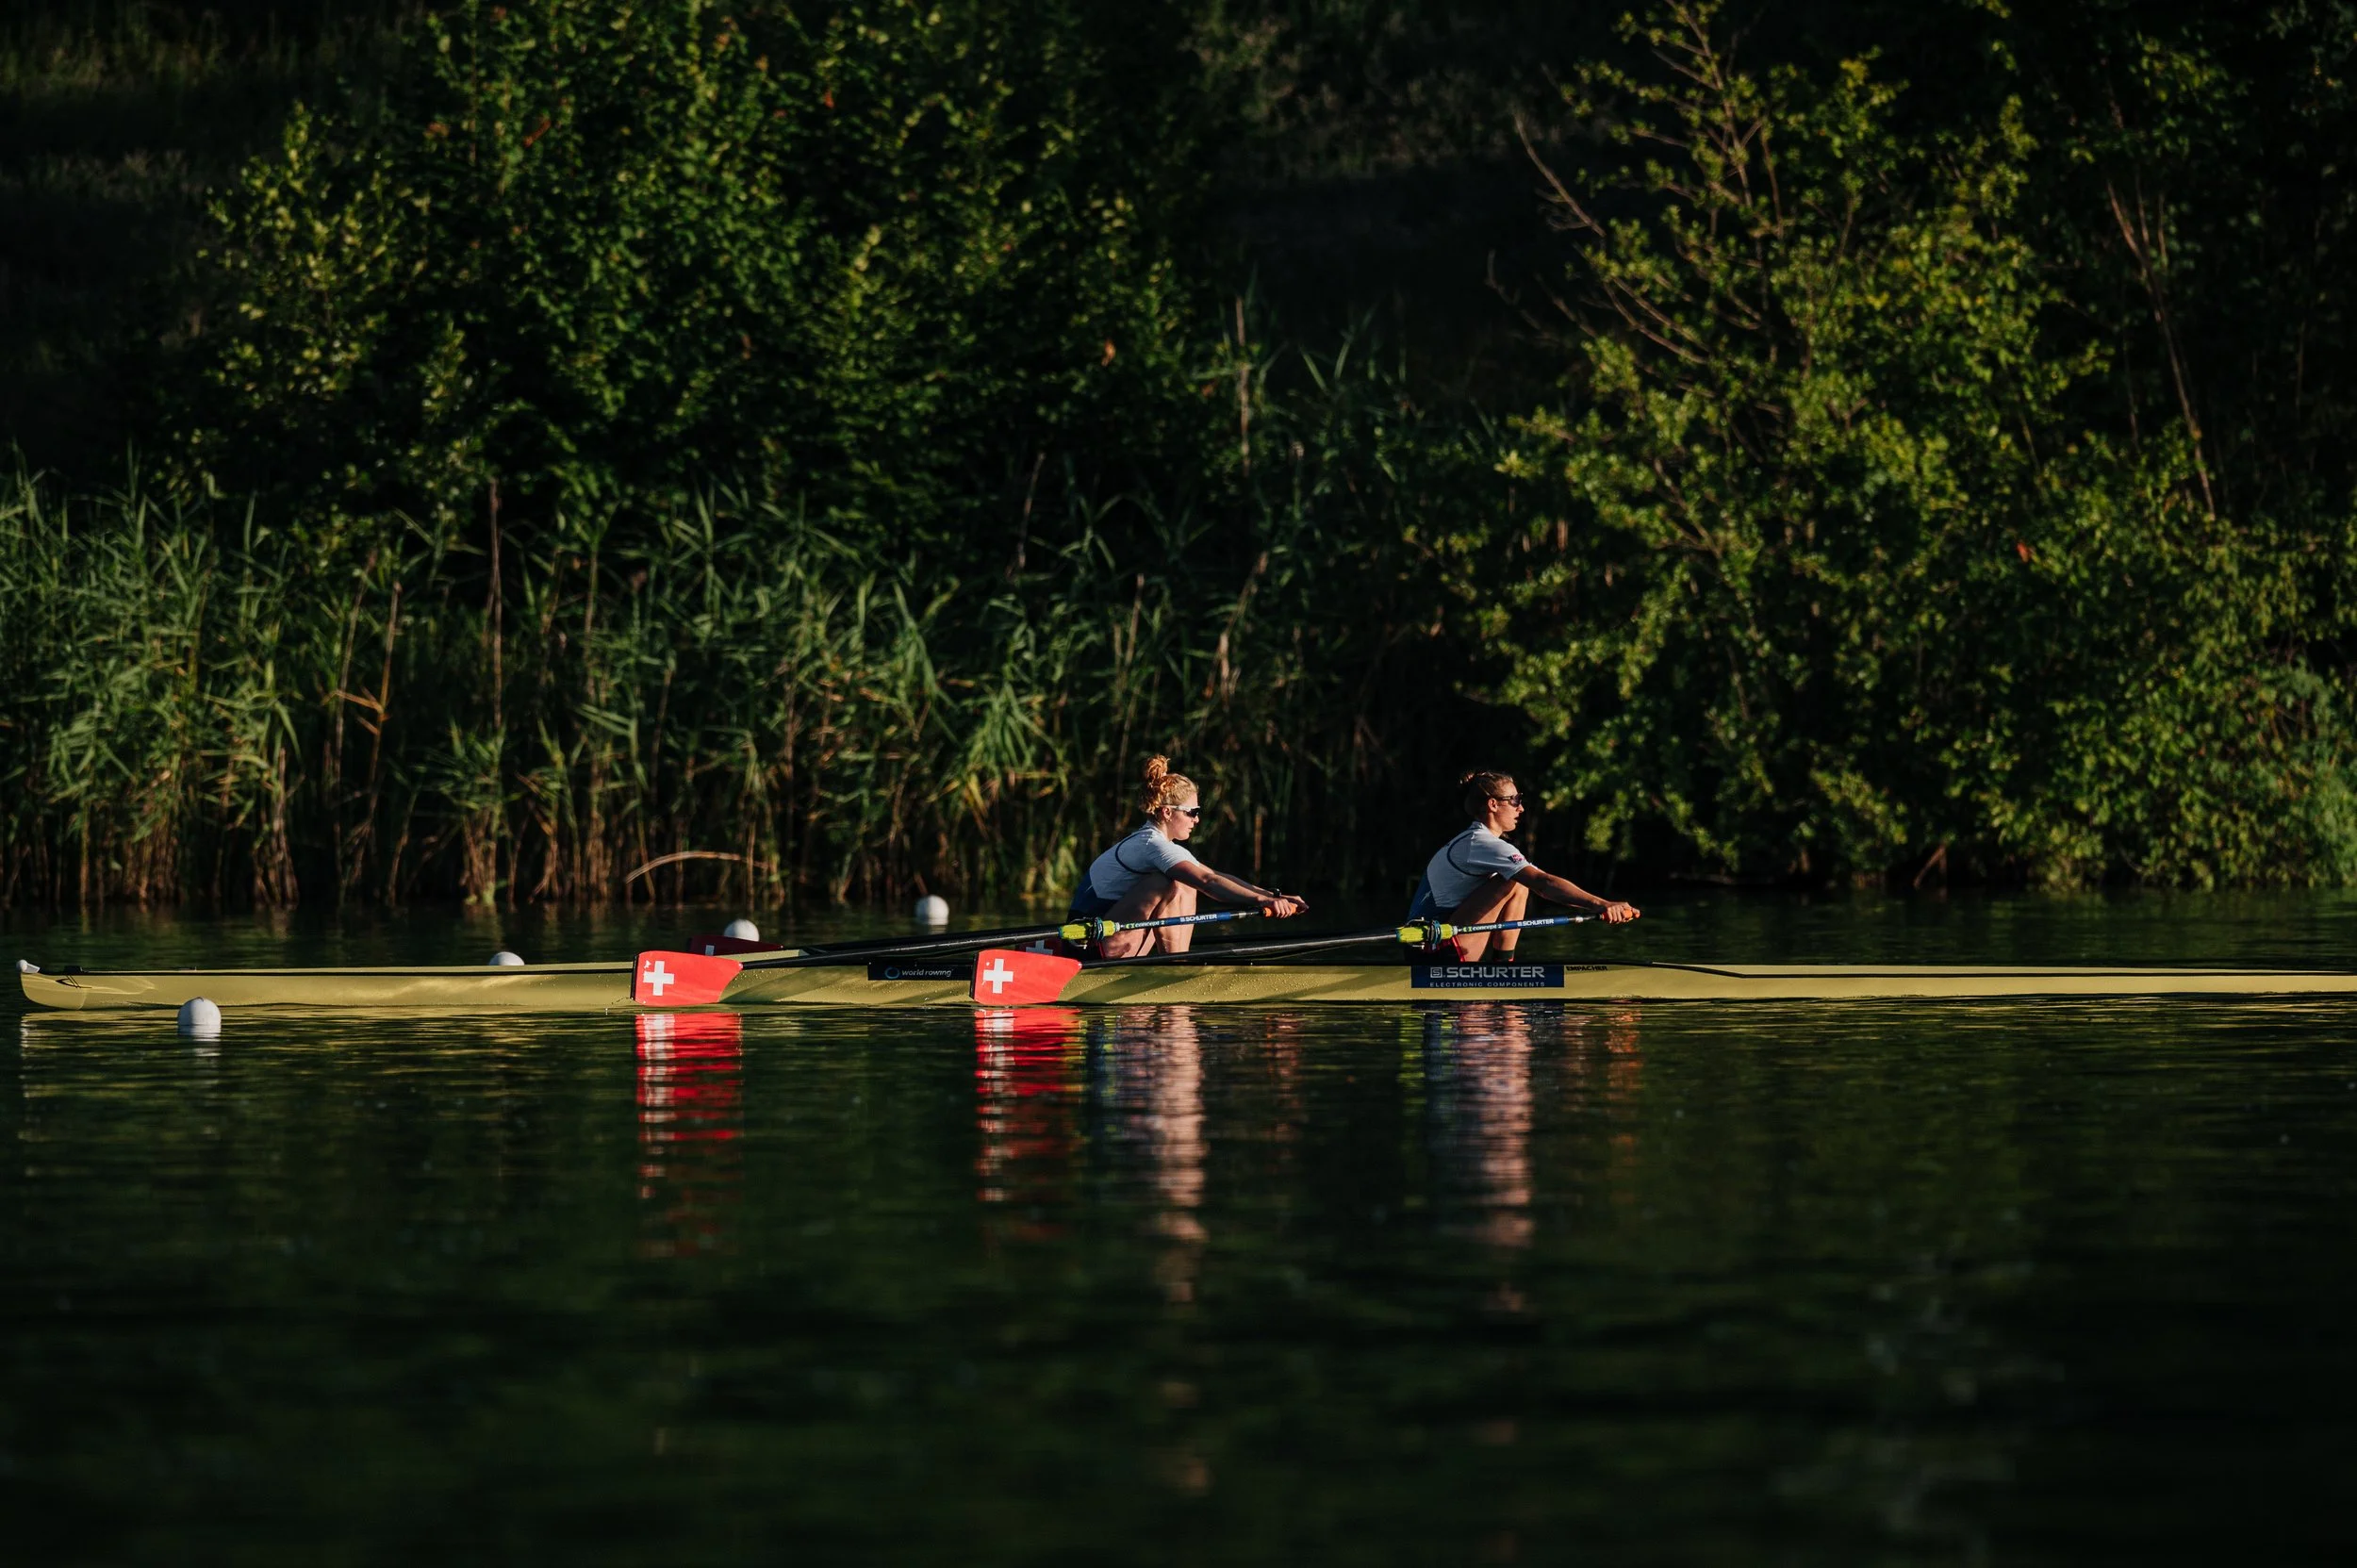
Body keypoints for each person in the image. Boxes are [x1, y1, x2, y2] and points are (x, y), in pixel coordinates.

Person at [1067, 757, 1306, 958]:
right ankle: (1176, 967)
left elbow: (1214, 875)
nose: (1197, 820)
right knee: (1172, 881)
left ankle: (1177, 962)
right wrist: (1261, 901)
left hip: (1111, 939)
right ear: (1167, 812)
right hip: (1086, 945)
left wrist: (1272, 896)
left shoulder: (1164, 847)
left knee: (1185, 881)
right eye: (1193, 812)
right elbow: (1209, 883)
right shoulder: (1152, 844)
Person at [1408, 769, 1638, 961]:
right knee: (1517, 881)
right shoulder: (1480, 843)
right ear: (1493, 805)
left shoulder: (1475, 840)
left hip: (1437, 946)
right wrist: (1600, 904)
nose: (1521, 808)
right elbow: (1543, 883)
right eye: (1515, 800)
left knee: (1519, 880)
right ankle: (1504, 969)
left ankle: (1504, 967)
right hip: (1432, 949)